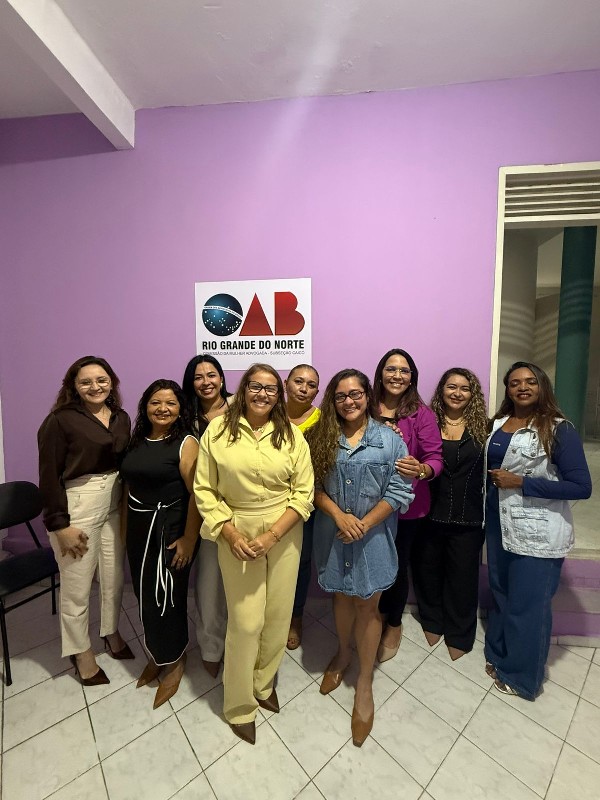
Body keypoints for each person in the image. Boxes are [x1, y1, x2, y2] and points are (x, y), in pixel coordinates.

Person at [194, 364, 314, 745]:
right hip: (237, 530)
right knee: (246, 623)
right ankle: (239, 705)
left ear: (279, 395)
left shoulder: (292, 435)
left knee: (277, 616)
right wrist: (230, 533)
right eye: (255, 387)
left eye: (270, 389)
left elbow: (304, 492)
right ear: (243, 390)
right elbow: (204, 490)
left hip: (285, 530)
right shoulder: (217, 431)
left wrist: (273, 535)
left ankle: (263, 684)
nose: (263, 394)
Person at [308, 369, 413, 746]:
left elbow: (400, 491)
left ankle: (365, 682)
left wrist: (364, 524)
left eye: (355, 394)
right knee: (340, 596)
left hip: (375, 540)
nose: (348, 401)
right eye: (340, 396)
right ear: (332, 401)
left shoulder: (390, 441)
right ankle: (342, 654)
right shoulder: (321, 437)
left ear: (368, 396)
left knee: (368, 605)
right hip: (334, 536)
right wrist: (340, 516)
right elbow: (310, 485)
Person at [485, 362, 591, 700]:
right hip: (499, 523)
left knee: (527, 606)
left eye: (530, 381)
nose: (523, 387)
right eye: (515, 382)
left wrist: (522, 482)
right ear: (507, 389)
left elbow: (581, 486)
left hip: (538, 531)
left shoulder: (558, 429)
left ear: (542, 386)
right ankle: (501, 656)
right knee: (502, 593)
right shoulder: (498, 424)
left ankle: (522, 678)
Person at [38, 356, 132, 686]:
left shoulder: (121, 417)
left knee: (113, 577)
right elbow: (48, 476)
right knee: (77, 586)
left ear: (112, 382)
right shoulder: (60, 420)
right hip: (78, 505)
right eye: (86, 382)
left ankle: (110, 631)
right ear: (74, 386)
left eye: (102, 380)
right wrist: (59, 525)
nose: (95, 387)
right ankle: (80, 651)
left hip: (114, 502)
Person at [120, 379, 200, 708]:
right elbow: (128, 488)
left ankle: (176, 659)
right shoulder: (137, 439)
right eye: (155, 402)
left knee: (168, 598)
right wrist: (125, 534)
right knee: (145, 597)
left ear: (181, 409)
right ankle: (157, 654)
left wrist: (189, 539)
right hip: (139, 531)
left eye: (170, 403)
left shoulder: (186, 443)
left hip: (171, 532)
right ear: (145, 406)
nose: (162, 408)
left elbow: (197, 495)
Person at [411, 368, 487, 659]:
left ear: (472, 394)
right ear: (441, 390)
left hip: (469, 516)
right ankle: (431, 620)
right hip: (428, 513)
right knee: (426, 572)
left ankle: (460, 633)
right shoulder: (426, 422)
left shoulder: (485, 427)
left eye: (464, 388)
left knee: (463, 579)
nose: (457, 393)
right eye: (451, 387)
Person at [374, 348, 443, 661]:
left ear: (412, 377)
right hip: (366, 503)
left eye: (404, 371)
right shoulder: (365, 405)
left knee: (397, 566)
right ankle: (371, 617)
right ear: (381, 373)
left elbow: (435, 458)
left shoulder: (421, 414)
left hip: (406, 507)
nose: (397, 375)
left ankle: (393, 622)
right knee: (371, 562)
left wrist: (423, 469)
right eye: (391, 369)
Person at [182, 355, 231, 678]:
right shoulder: (185, 414)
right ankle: (211, 646)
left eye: (211, 375)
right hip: (199, 505)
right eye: (198, 377)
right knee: (209, 582)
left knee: (240, 583)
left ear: (222, 378)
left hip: (240, 505)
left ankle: (239, 644)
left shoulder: (242, 406)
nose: (206, 382)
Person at [284, 363, 321, 650]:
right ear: (286, 383)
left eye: (311, 385)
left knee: (301, 561)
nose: (304, 389)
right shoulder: (268, 413)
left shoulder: (323, 420)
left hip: (306, 503)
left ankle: (295, 616)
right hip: (268, 501)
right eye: (298, 381)